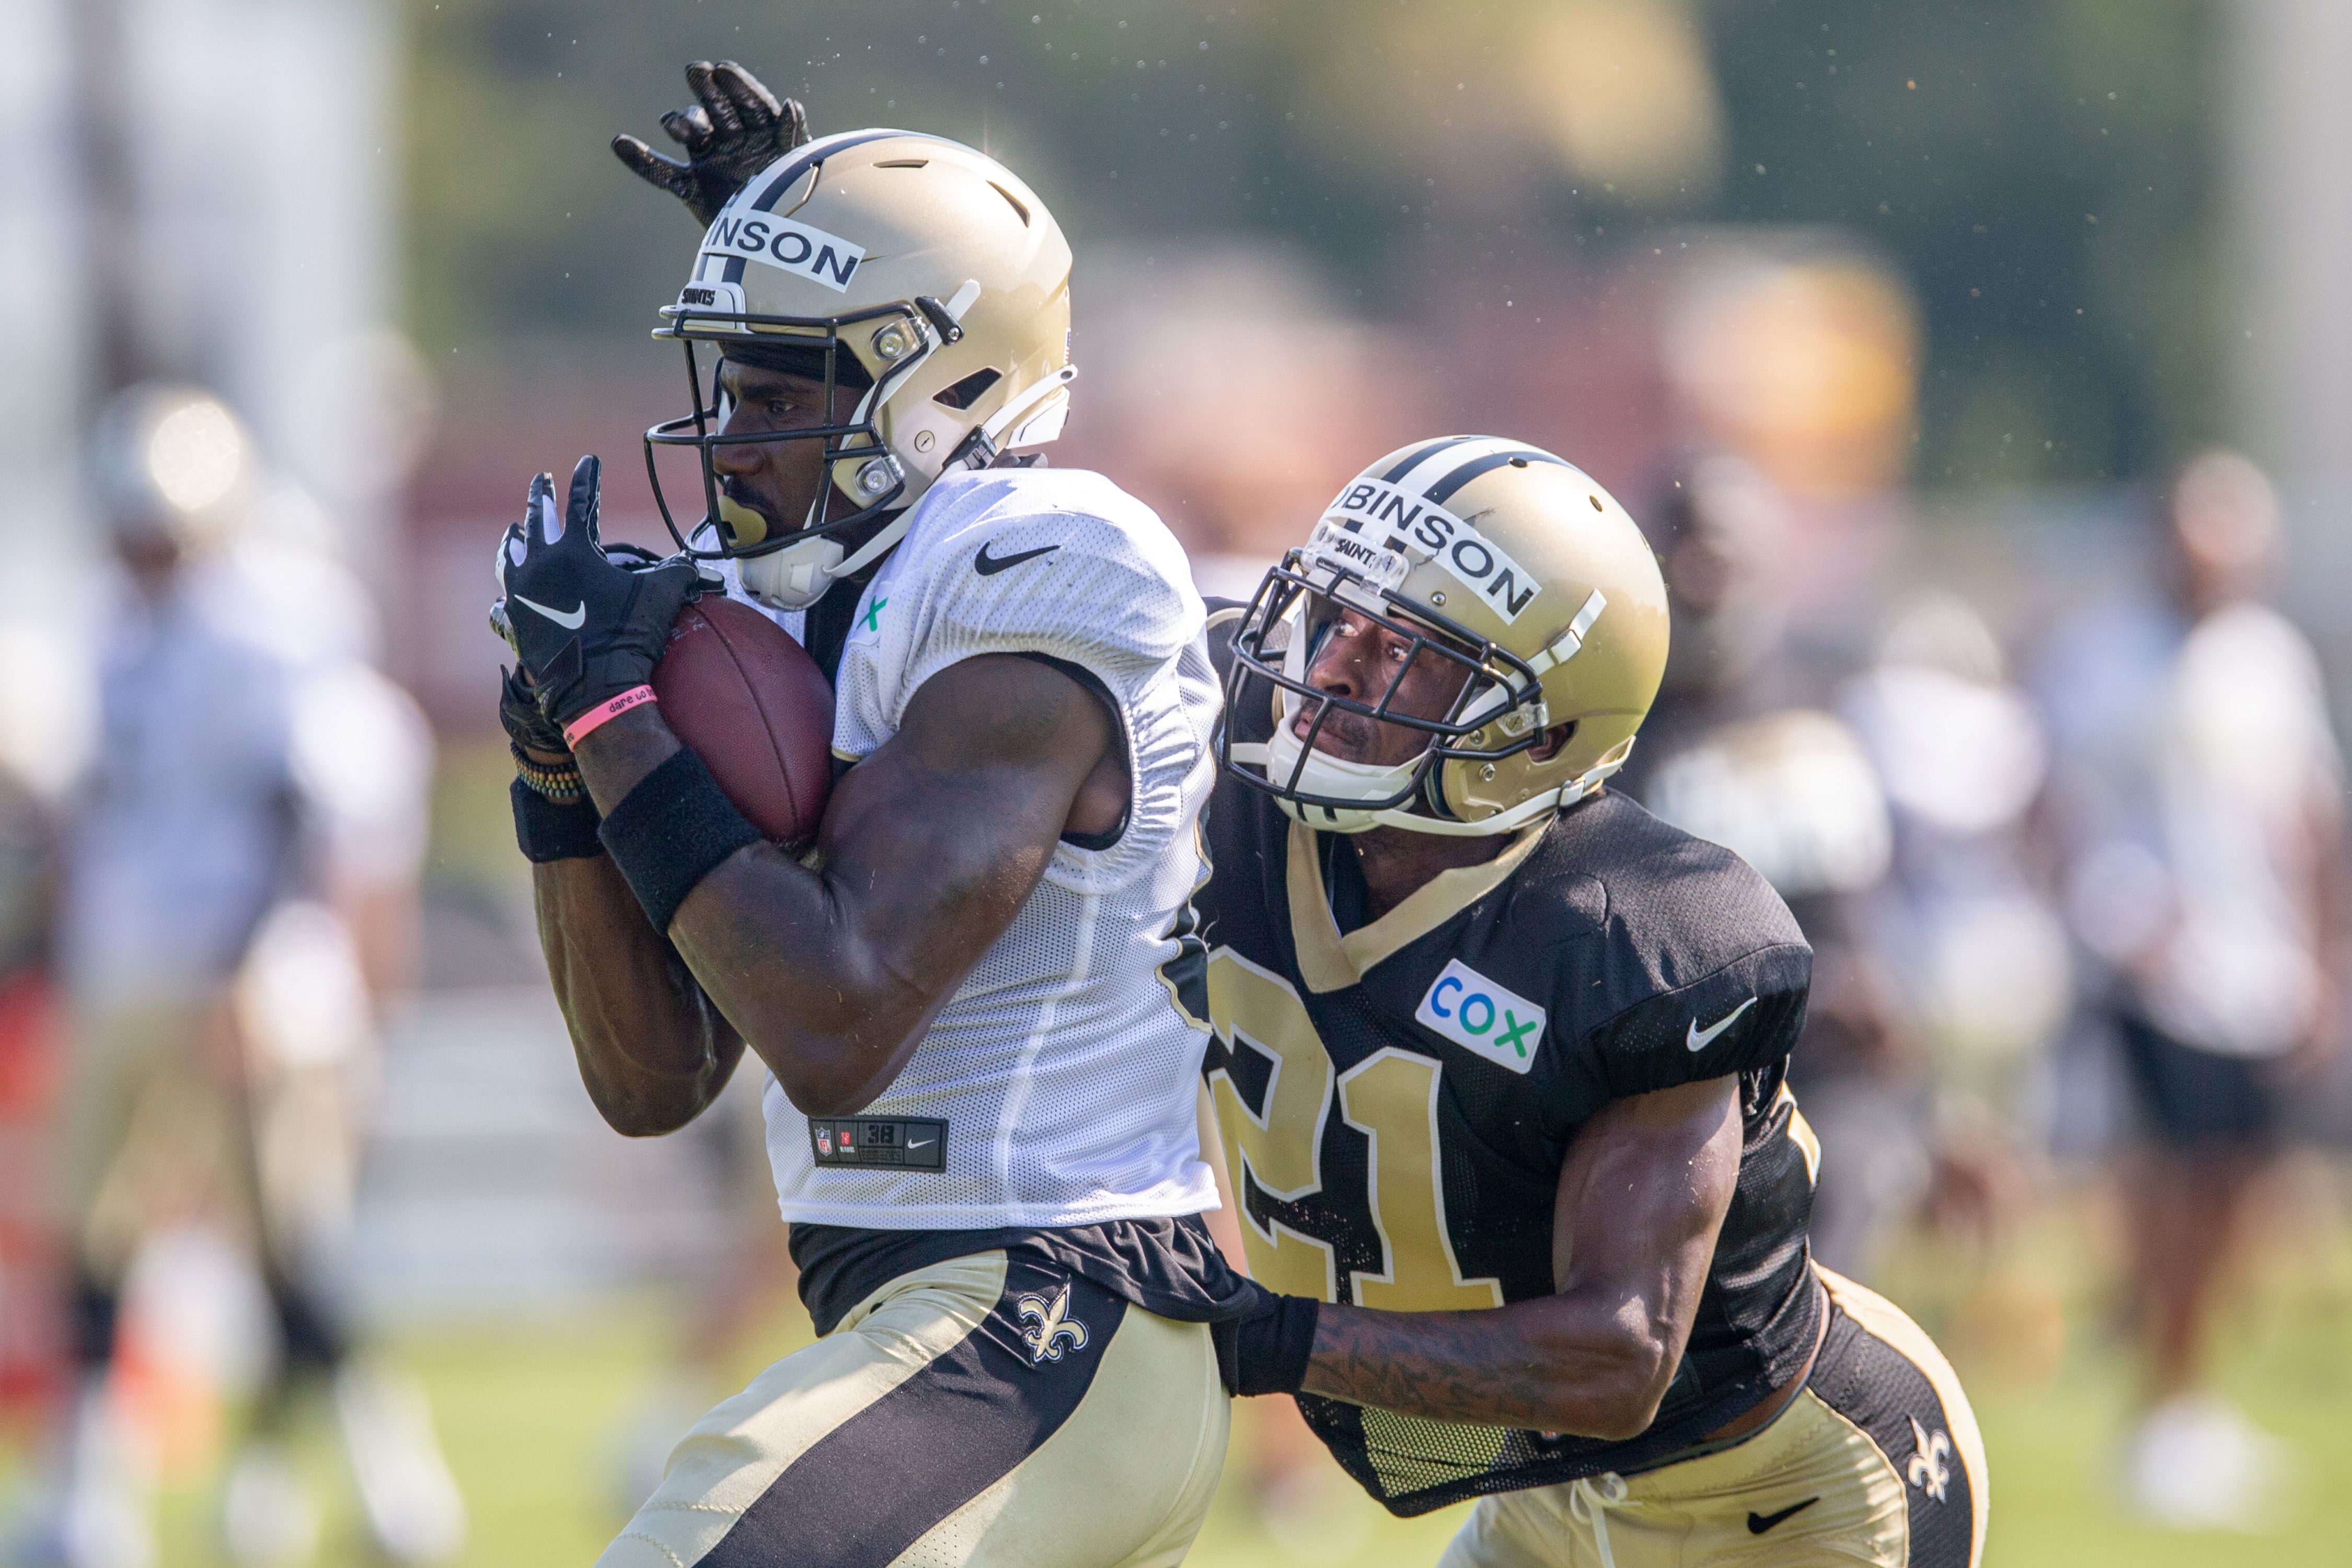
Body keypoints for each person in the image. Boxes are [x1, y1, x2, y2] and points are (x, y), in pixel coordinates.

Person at [498, 63, 1247, 1568]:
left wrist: (613, 721)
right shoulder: (800, 598)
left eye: (775, 395)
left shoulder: (1043, 555)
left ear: (947, 385)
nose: (730, 442)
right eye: (724, 389)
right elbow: (652, 1081)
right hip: (923, 1319)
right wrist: (555, 776)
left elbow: (838, 1030)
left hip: (1054, 1314)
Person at [1201, 440, 1988, 1565]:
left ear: (1540, 730)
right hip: (1537, 1499)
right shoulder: (1225, 767)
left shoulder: (1643, 936)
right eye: (1339, 621)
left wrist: (1267, 1334)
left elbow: (1618, 1358)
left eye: (1405, 656)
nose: (1330, 674)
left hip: (1784, 1495)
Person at [17, 386, 459, 1568]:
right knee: (94, 1241)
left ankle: (388, 1477)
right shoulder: (108, 620)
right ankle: (88, 1497)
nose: (138, 543)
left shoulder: (273, 614)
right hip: (123, 958)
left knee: (288, 1247)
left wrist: (243, 963)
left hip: (245, 969)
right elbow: (85, 808)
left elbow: (303, 801)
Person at [2033, 450, 2343, 1529]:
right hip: (2150, 967)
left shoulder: (2270, 660)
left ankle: (2197, 1398)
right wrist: (2121, 919)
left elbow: (2310, 825)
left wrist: (2324, 967)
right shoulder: (2100, 655)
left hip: (2259, 969)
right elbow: (2057, 811)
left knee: (2241, 1187)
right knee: (2169, 1181)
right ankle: (2160, 1411)